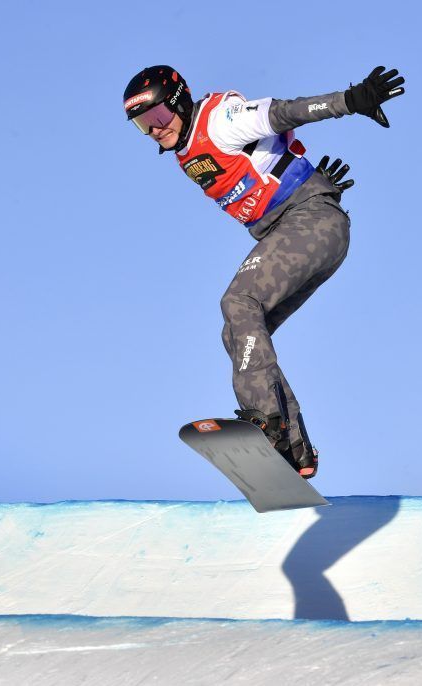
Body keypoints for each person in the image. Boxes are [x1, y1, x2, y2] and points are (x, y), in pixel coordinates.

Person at [123, 65, 405, 479]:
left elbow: (284, 114)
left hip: (310, 221)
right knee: (236, 332)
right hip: (299, 226)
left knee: (239, 301)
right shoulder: (185, 150)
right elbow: (268, 162)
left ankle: (267, 425)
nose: (155, 130)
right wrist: (299, 176)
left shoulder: (219, 121)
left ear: (180, 100)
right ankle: (296, 452)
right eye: (143, 126)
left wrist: (349, 101)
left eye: (160, 118)